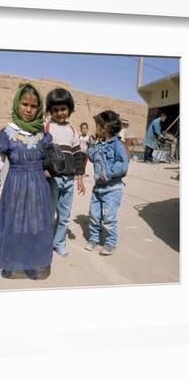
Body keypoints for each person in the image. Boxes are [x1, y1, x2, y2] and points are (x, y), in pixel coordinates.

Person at [0, 83, 54, 280]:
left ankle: (33, 262)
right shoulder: (8, 132)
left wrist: (50, 169)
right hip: (16, 185)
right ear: (17, 104)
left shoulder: (42, 134)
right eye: (24, 104)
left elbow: (49, 157)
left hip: (38, 188)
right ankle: (13, 262)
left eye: (33, 106)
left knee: (34, 224)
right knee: (16, 223)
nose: (28, 109)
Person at [44, 88, 86, 258]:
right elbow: (40, 152)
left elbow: (77, 156)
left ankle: (59, 243)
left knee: (64, 216)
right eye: (55, 110)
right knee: (49, 213)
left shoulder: (73, 131)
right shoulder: (46, 128)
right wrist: (43, 169)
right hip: (52, 180)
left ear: (69, 109)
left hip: (68, 180)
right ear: (50, 111)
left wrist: (80, 178)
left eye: (63, 109)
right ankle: (46, 243)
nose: (60, 113)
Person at [85, 110, 129, 256]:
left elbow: (123, 164)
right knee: (94, 215)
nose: (95, 129)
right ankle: (93, 238)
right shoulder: (99, 144)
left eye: (97, 126)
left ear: (103, 127)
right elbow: (91, 158)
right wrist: (91, 145)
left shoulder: (117, 145)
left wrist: (109, 172)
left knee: (109, 218)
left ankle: (110, 242)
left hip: (112, 189)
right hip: (98, 188)